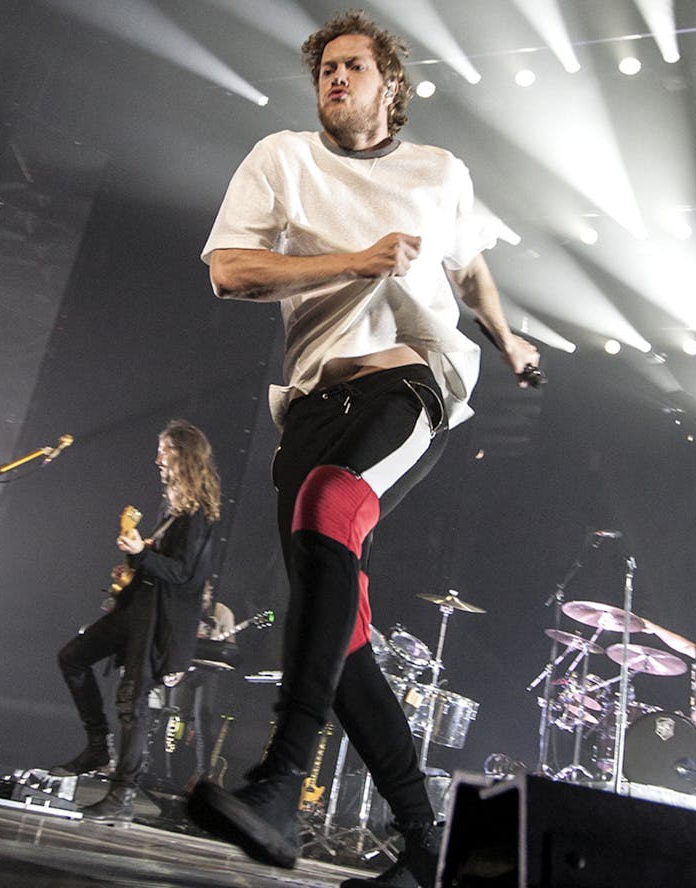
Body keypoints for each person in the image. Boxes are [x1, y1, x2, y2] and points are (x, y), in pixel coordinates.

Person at [186, 10, 539, 885]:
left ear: (391, 85)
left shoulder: (439, 171)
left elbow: (466, 266)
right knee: (338, 632)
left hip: (410, 382)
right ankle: (427, 846)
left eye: (353, 66)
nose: (335, 79)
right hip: (311, 402)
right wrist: (356, 259)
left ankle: (280, 785)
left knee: (329, 508)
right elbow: (231, 271)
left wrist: (507, 339)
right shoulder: (281, 159)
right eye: (324, 71)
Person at [50, 420, 221, 824]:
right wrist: (136, 555)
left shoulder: (197, 516)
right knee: (72, 657)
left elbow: (184, 576)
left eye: (165, 450)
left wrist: (142, 554)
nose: (158, 459)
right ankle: (97, 745)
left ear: (184, 455)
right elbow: (161, 567)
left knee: (132, 701)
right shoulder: (173, 510)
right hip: (135, 609)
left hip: (156, 620)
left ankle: (122, 792)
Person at [170, 581, 236, 786]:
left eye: (204, 595)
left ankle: (203, 774)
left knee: (203, 720)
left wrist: (217, 641)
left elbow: (231, 649)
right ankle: (171, 773)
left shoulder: (222, 612)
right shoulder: (184, 608)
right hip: (183, 668)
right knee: (176, 720)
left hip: (208, 671)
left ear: (210, 595)